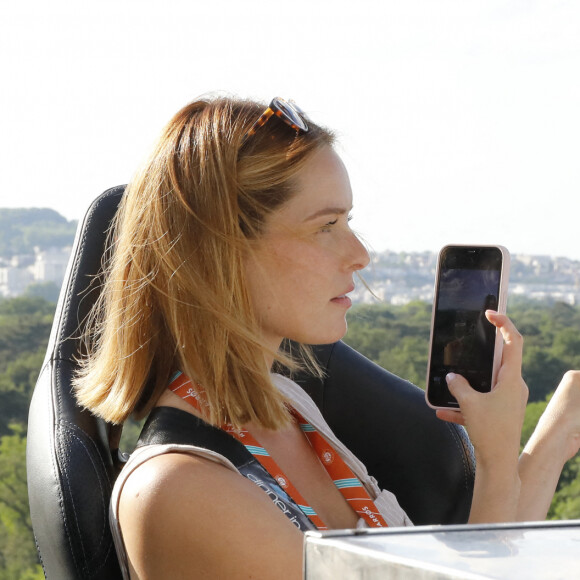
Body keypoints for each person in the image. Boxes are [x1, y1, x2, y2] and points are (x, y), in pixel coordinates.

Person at [73, 95, 580, 579]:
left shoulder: (288, 404)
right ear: (221, 254)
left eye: (349, 220)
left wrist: (555, 437)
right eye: (326, 226)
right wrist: (492, 462)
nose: (360, 254)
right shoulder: (184, 492)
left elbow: (478, 558)